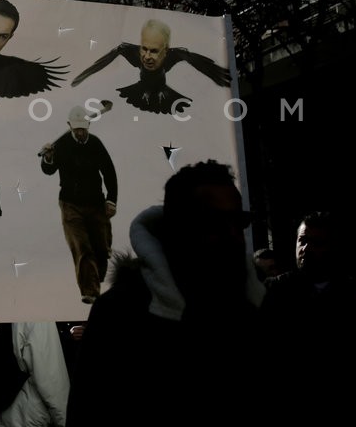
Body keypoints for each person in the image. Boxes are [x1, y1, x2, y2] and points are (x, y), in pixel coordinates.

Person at [65, 160, 265, 425]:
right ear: (178, 229)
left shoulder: (261, 307)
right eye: (215, 224)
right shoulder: (122, 314)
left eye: (239, 222)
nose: (233, 237)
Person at [259, 210, 356, 410]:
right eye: (302, 240)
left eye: (317, 243)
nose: (305, 248)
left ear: (334, 247)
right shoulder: (277, 290)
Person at [70, 17, 231, 114]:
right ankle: (147, 93)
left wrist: (216, 76)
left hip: (162, 89)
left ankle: (158, 93)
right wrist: (84, 75)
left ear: (165, 51)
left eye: (153, 51)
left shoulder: (174, 54)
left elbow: (196, 61)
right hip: (142, 88)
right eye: (144, 49)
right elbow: (103, 62)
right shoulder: (130, 51)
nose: (146, 57)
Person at [40, 104, 118, 304]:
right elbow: (48, 170)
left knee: (101, 249)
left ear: (88, 125)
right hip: (70, 205)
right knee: (82, 247)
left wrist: (111, 200)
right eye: (77, 129)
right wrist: (48, 158)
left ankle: (95, 277)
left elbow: (109, 172)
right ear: (70, 126)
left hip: (96, 204)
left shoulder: (95, 144)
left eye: (83, 129)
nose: (81, 133)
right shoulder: (62, 146)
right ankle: (90, 291)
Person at [0, 321, 70, 427]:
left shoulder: (10, 315)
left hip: (1, 414)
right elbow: (51, 380)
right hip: (25, 417)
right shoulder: (39, 320)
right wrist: (65, 420)